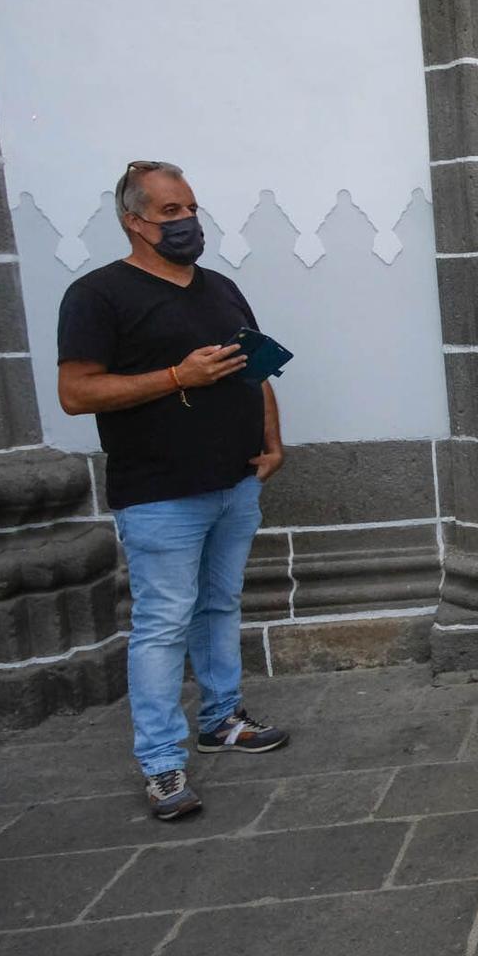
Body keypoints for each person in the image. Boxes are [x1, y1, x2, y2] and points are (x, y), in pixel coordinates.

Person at [56, 160, 289, 822]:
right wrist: (176, 376)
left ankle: (223, 719)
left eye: (190, 209)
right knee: (162, 624)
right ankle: (161, 762)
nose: (186, 222)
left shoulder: (220, 288)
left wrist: (273, 443)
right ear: (134, 221)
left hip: (234, 481)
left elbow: (257, 367)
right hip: (160, 492)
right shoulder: (98, 295)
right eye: (169, 213)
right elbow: (76, 392)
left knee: (220, 605)